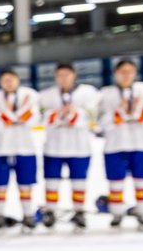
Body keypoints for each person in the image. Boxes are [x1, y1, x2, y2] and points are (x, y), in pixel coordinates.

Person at [98, 59, 143, 230]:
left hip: (141, 143)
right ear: (115, 73)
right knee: (115, 181)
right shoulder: (106, 93)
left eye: (129, 71)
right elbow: (100, 120)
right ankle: (117, 213)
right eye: (122, 72)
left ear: (135, 73)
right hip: (115, 144)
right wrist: (120, 113)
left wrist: (135, 112)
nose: (126, 75)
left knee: (142, 179)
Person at [38, 63, 98, 230]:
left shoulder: (88, 93)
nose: (63, 78)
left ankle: (79, 211)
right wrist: (57, 115)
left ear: (74, 75)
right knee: (51, 181)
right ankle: (50, 210)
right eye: (60, 75)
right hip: (54, 146)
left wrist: (74, 113)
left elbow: (93, 115)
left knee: (79, 181)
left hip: (79, 147)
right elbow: (41, 117)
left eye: (67, 74)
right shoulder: (46, 95)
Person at [0, 69, 40, 231]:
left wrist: (7, 114)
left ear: (18, 80)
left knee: (26, 183)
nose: (9, 83)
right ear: (0, 82)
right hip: (0, 147)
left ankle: (27, 215)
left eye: (11, 79)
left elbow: (32, 120)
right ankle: (0, 215)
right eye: (5, 80)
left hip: (25, 146)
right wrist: (15, 115)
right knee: (0, 184)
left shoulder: (31, 95)